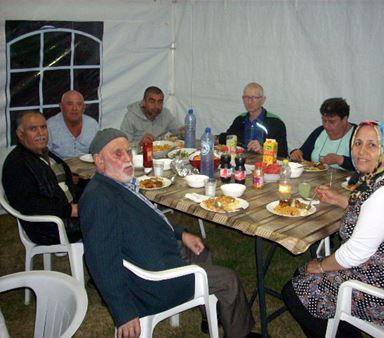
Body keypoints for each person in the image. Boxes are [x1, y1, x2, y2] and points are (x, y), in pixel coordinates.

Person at [79, 128, 259, 338]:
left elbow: (151, 218)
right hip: (156, 283)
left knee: (202, 250)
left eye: (128, 152)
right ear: (99, 161)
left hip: (157, 255)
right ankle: (241, 334)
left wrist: (181, 234)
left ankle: (209, 313)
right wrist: (124, 313)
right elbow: (101, 261)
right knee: (229, 280)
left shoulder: (116, 185)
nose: (127, 159)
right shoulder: (99, 199)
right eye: (118, 154)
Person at [282, 120, 384, 338]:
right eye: (357, 143)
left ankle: (345, 332)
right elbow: (370, 212)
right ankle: (337, 325)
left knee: (294, 292)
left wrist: (320, 265)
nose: (361, 151)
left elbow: (355, 252)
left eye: (372, 145)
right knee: (301, 275)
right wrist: (340, 199)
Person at [2, 111, 81, 245]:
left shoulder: (43, 154)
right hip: (50, 228)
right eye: (33, 129)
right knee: (110, 219)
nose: (41, 133)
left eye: (43, 127)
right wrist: (71, 210)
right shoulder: (17, 165)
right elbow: (30, 204)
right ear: (20, 134)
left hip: (67, 214)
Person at [218, 82, 288, 158]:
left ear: (263, 100)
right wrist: (215, 139)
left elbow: (283, 154)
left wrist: (263, 150)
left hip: (264, 165)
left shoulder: (275, 123)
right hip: (241, 162)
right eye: (246, 98)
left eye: (254, 98)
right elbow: (229, 138)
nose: (249, 102)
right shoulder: (240, 120)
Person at [290, 97, 356, 170]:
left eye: (332, 122)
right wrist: (296, 153)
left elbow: (365, 165)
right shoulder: (320, 131)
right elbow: (303, 153)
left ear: (344, 119)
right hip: (317, 180)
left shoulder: (357, 135)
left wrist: (340, 160)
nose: (326, 126)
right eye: (324, 120)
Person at [120, 86, 184, 147]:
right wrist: (140, 144)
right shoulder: (131, 117)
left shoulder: (165, 114)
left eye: (160, 102)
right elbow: (122, 145)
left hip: (162, 155)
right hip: (139, 155)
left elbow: (179, 130)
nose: (156, 106)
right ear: (144, 102)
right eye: (152, 102)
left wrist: (183, 131)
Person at [47, 90, 99, 159]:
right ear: (61, 107)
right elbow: (45, 155)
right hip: (60, 167)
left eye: (79, 104)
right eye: (69, 104)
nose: (74, 108)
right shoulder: (49, 126)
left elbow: (99, 150)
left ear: (84, 107)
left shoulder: (92, 124)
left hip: (88, 167)